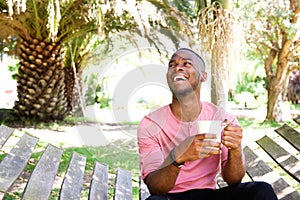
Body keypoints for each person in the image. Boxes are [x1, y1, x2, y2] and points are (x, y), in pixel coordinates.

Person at [137, 48, 278, 200]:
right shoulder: (151, 124)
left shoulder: (223, 119)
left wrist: (235, 149)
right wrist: (177, 157)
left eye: (186, 63)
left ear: (203, 76)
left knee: (261, 190)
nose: (177, 67)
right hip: (170, 197)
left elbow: (233, 180)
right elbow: (154, 187)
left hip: (211, 195)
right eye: (172, 65)